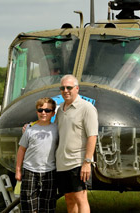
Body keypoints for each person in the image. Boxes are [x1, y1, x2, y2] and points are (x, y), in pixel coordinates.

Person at [55, 74, 98, 213]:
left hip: (78, 162)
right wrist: (30, 127)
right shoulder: (60, 109)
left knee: (81, 199)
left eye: (69, 87)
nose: (65, 90)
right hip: (62, 163)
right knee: (69, 199)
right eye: (62, 88)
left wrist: (87, 162)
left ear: (77, 89)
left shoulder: (87, 108)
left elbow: (92, 136)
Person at [16, 97, 59, 212]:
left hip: (49, 171)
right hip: (30, 170)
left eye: (47, 110)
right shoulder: (30, 130)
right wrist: (18, 170)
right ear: (37, 112)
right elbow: (21, 150)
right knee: (28, 205)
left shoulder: (57, 129)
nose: (43, 113)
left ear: (53, 113)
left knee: (48, 205)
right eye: (40, 110)